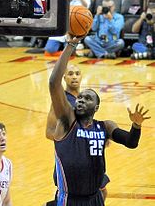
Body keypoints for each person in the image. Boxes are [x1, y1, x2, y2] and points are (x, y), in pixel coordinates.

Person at [48, 34, 150, 206]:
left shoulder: (105, 127)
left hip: (95, 198)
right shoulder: (67, 122)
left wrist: (136, 126)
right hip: (69, 199)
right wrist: (70, 46)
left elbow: (131, 143)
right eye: (80, 98)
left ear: (96, 107)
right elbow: (53, 83)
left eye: (87, 98)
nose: (80, 100)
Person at [45, 64, 109, 206]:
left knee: (102, 192)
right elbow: (49, 132)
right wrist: (71, 135)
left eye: (77, 74)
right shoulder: (62, 103)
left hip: (91, 160)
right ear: (64, 77)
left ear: (82, 76)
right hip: (71, 162)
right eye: (70, 74)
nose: (74, 77)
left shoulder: (85, 100)